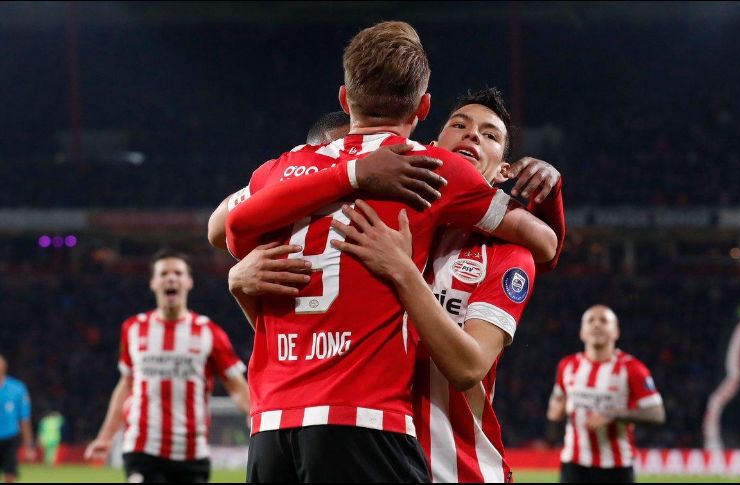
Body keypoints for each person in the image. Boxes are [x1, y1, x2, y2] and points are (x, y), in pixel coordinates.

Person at [221, 21, 558, 483]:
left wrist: (547, 189)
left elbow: (227, 226)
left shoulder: (502, 255)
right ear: (425, 118)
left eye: (490, 135)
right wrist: (240, 284)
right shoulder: (429, 174)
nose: (472, 137)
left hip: (443, 464)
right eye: (459, 125)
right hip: (368, 426)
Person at [84, 250, 250, 483]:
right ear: (153, 282)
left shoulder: (209, 332)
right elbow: (126, 384)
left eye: (178, 273)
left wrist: (255, 415)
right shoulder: (133, 328)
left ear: (189, 282)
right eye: (163, 273)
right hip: (143, 447)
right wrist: (105, 437)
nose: (171, 278)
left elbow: (236, 386)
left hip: (191, 451)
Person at [547, 305, 666, 483]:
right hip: (574, 466)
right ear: (582, 332)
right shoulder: (567, 366)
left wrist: (613, 414)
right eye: (590, 320)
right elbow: (557, 406)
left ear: (616, 332)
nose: (597, 325)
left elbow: (657, 414)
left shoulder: (632, 369)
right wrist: (555, 412)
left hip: (616, 469)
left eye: (604, 321)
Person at [0, 354, 35, 484]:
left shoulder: (17, 388)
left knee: (10, 476)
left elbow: (24, 418)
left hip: (10, 437)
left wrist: (29, 445)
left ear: (5, 366)